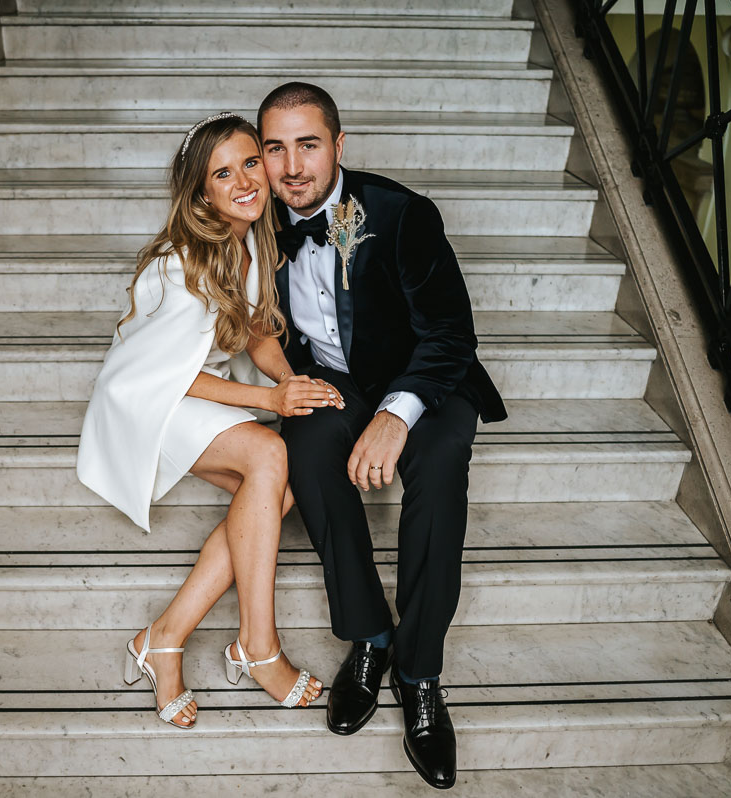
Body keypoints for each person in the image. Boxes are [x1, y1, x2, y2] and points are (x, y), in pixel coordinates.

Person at [258, 83, 507, 789]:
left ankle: (420, 672)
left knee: (441, 459)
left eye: (309, 145)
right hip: (335, 379)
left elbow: (451, 333)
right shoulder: (256, 221)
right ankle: (370, 637)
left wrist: (396, 415)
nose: (292, 166)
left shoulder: (401, 215)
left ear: (339, 146)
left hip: (425, 374)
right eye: (275, 148)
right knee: (306, 448)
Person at [76, 113, 326, 728]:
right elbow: (171, 375)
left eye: (250, 163)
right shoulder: (179, 263)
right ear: (200, 193)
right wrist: (271, 404)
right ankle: (258, 646)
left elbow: (259, 331)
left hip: (189, 390)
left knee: (277, 483)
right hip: (145, 400)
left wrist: (289, 382)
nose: (244, 181)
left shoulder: (251, 238)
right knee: (269, 456)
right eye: (223, 174)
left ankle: (163, 637)